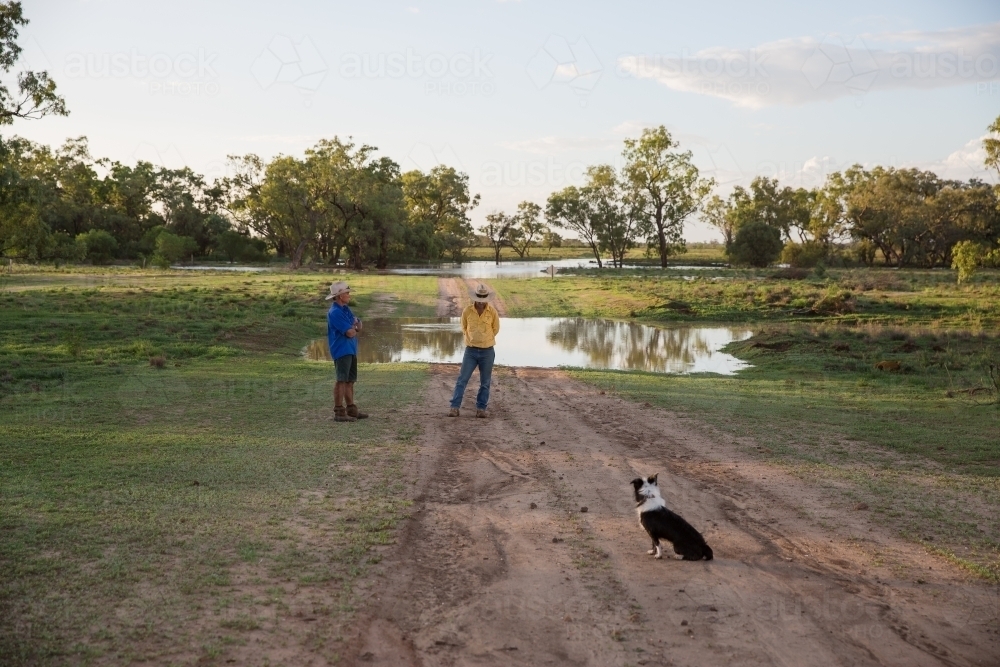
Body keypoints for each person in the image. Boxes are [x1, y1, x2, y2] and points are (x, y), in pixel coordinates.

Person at [449, 284, 500, 418]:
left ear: (487, 298)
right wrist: (473, 339)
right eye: (479, 298)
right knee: (462, 380)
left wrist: (485, 339)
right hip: (470, 351)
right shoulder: (467, 311)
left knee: (485, 382)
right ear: (475, 298)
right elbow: (464, 327)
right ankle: (454, 407)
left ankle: (481, 409)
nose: (481, 301)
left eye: (484, 298)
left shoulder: (492, 312)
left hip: (487, 351)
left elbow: (495, 329)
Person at [326, 281, 368, 423]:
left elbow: (359, 326)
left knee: (349, 381)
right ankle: (339, 411)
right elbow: (350, 332)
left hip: (350, 349)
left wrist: (355, 327)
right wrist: (354, 326)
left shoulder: (345, 309)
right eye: (347, 293)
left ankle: (351, 410)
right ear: (339, 296)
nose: (349, 295)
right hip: (341, 350)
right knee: (341, 381)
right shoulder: (335, 312)